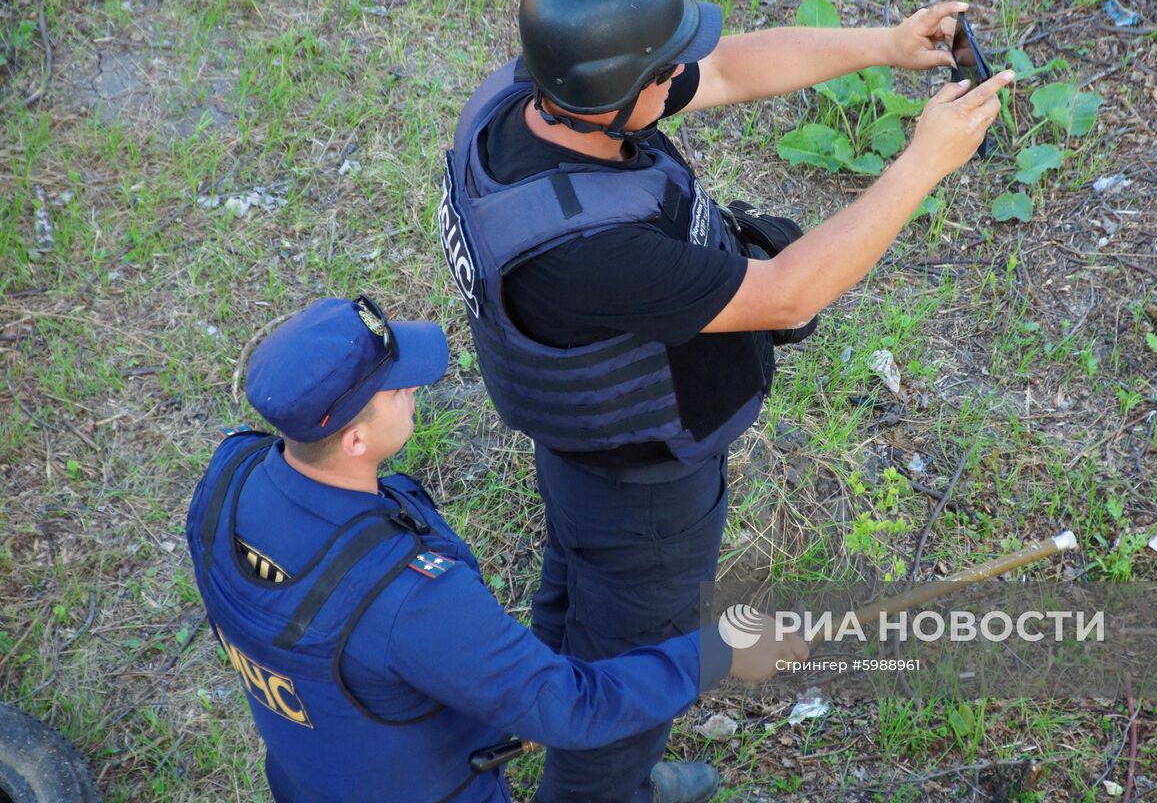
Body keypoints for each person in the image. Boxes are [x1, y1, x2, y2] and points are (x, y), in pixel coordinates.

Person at [437, 0, 1011, 803]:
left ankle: (553, 717)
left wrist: (885, 44)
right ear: (619, 93)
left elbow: (730, 69)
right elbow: (786, 293)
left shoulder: (533, 101)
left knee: (576, 606)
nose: (687, 74)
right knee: (636, 665)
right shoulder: (592, 252)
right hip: (644, 492)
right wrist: (923, 163)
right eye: (667, 69)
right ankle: (603, 784)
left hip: (583, 456)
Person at [184, 296, 807, 803]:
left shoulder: (227, 479)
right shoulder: (413, 601)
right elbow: (572, 708)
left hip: (310, 777)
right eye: (397, 390)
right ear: (353, 440)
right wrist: (719, 653)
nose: (412, 393)